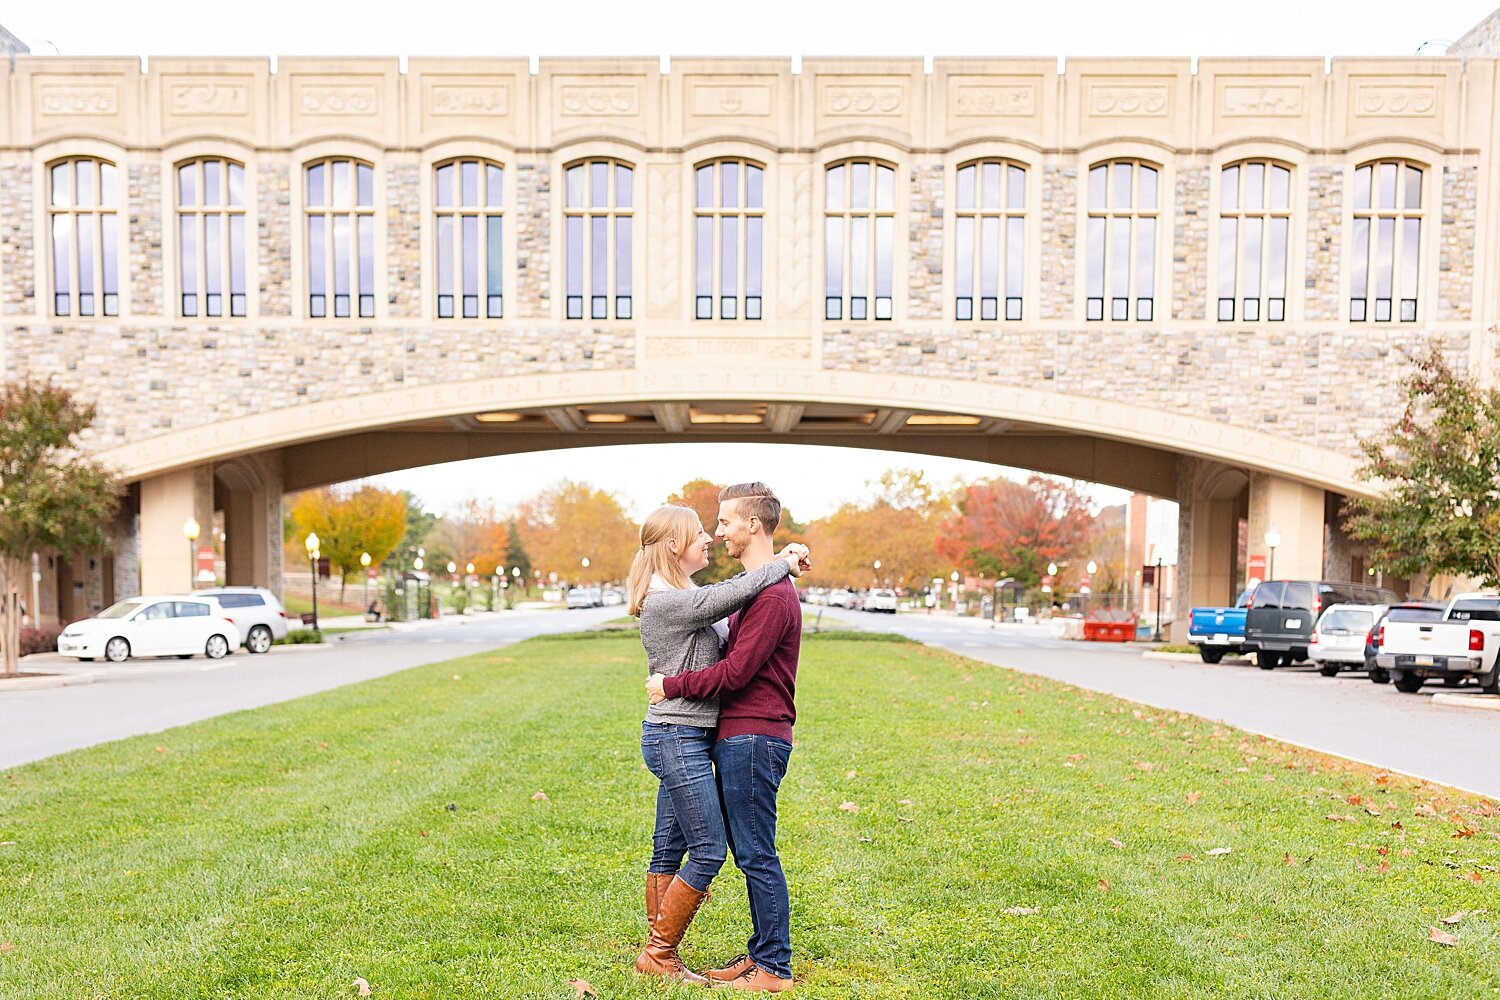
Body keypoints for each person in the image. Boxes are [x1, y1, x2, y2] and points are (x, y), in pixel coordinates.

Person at [626, 503, 808, 985]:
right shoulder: (667, 600)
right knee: (707, 849)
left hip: (691, 732)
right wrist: (782, 563)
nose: (710, 536)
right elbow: (732, 594)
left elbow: (734, 609)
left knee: (669, 845)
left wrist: (783, 558)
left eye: (719, 525)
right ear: (672, 544)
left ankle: (659, 953)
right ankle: (660, 953)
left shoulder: (688, 592)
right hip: (675, 733)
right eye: (701, 531)